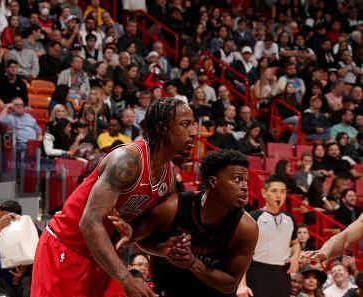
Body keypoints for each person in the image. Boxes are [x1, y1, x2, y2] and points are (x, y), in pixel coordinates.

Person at [31, 98, 197, 297]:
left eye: (193, 124)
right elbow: (89, 222)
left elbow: (135, 236)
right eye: (185, 124)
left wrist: (161, 248)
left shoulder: (167, 176)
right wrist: (126, 278)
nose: (194, 132)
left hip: (103, 257)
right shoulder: (127, 160)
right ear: (162, 129)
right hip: (67, 247)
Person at [112, 149, 258, 297]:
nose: (245, 187)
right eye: (237, 179)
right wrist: (162, 249)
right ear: (213, 182)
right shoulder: (172, 207)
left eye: (246, 181)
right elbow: (138, 239)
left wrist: (193, 263)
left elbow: (231, 285)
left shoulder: (246, 228)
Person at [238, 175, 300, 297]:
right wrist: (241, 284)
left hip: (283, 273)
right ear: (264, 193)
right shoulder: (253, 217)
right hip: (257, 271)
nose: (279, 195)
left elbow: (295, 243)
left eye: (282, 192)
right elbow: (240, 252)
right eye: (274, 191)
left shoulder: (290, 219)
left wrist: (295, 257)